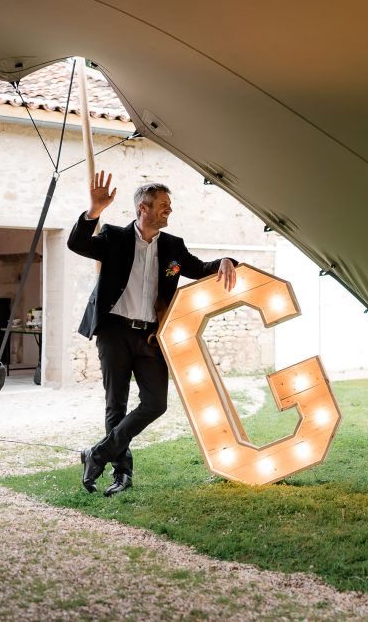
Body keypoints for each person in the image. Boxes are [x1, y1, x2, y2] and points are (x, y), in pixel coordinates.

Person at [68, 171, 236, 496]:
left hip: (151, 337)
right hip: (114, 332)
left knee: (156, 403)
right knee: (115, 405)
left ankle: (97, 454)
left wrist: (225, 261)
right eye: (163, 205)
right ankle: (122, 475)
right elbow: (77, 243)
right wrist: (93, 212)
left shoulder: (173, 248)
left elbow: (198, 268)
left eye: (169, 206)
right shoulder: (114, 238)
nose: (168, 210)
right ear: (143, 208)